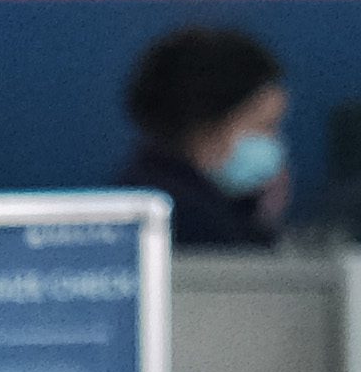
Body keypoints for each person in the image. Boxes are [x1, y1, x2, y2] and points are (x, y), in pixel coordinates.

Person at [117, 25, 290, 249]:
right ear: (207, 126)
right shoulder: (186, 221)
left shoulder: (222, 208)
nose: (274, 142)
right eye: (264, 126)